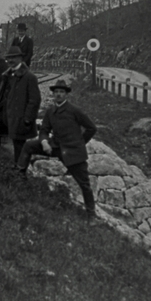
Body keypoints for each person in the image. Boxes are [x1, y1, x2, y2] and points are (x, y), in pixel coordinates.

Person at [20, 82, 99, 215]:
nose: (58, 94)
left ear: (66, 94)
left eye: (61, 92)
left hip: (73, 152)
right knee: (28, 146)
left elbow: (92, 128)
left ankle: (91, 214)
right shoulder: (50, 111)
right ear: (53, 94)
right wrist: (44, 142)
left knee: (84, 183)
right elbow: (44, 129)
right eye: (56, 91)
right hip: (55, 147)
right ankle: (20, 177)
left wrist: (79, 143)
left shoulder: (74, 110)